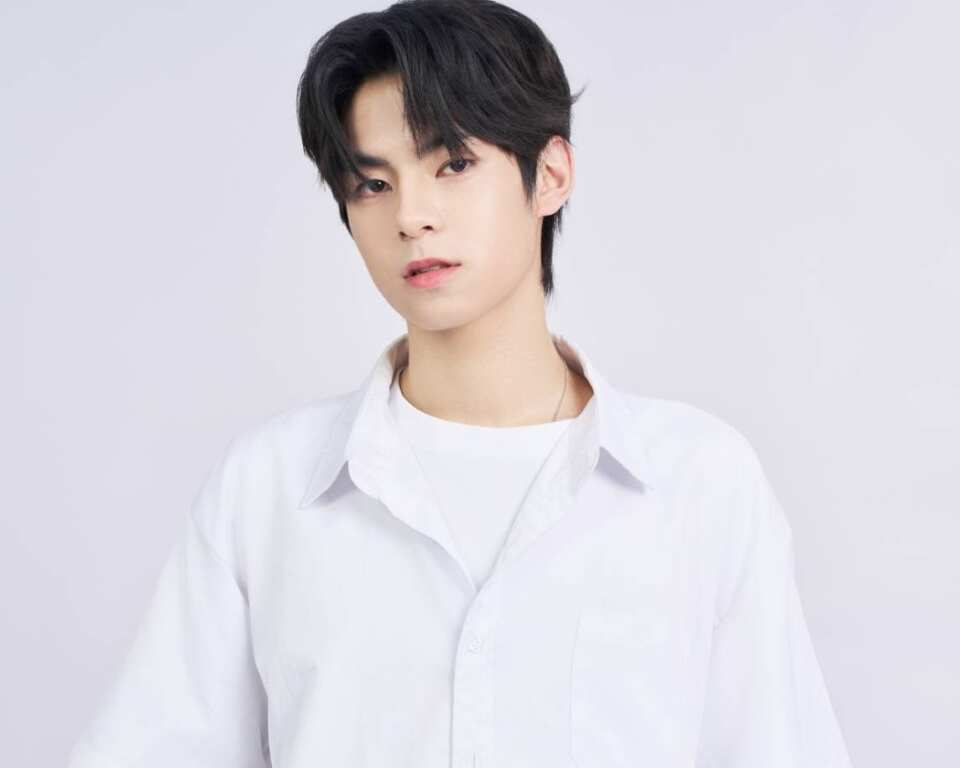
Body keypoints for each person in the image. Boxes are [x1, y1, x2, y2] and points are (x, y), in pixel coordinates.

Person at [67, 1, 854, 766]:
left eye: (453, 164)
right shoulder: (268, 489)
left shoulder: (699, 482)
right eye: (372, 184)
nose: (411, 216)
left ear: (550, 174)